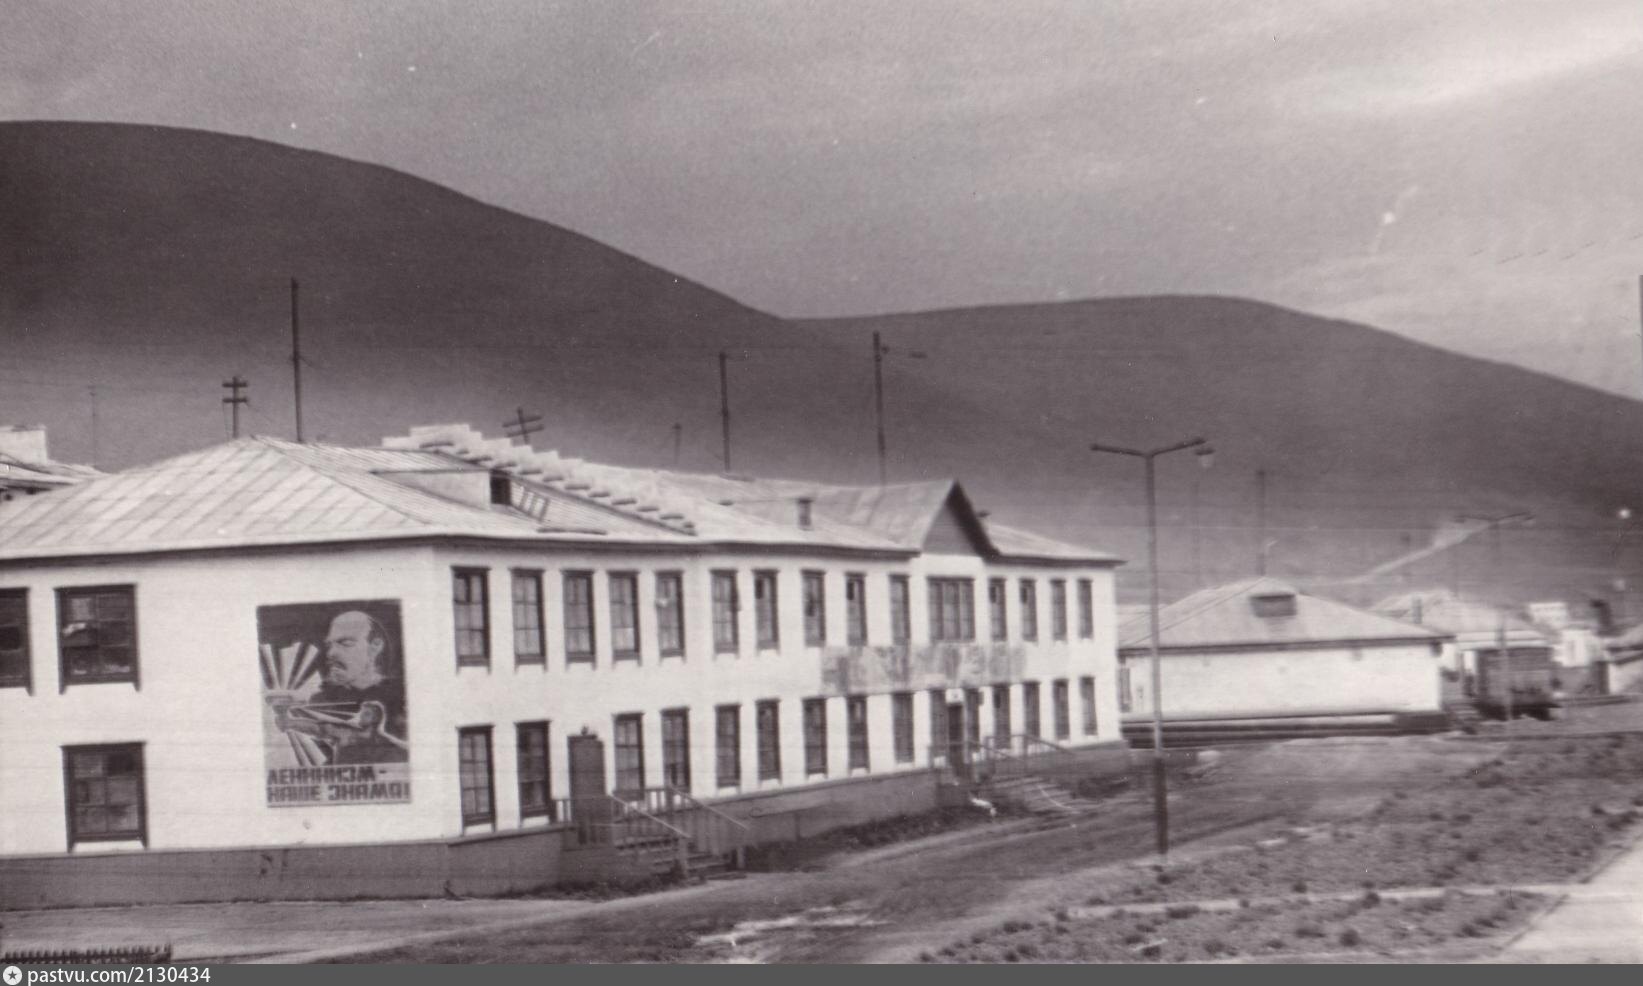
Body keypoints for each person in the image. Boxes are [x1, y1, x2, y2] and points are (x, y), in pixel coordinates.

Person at [287, 610, 409, 765]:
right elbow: (320, 730)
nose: (331, 653)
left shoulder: (403, 697)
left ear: (375, 646)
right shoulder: (318, 699)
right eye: (329, 645)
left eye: (346, 643)